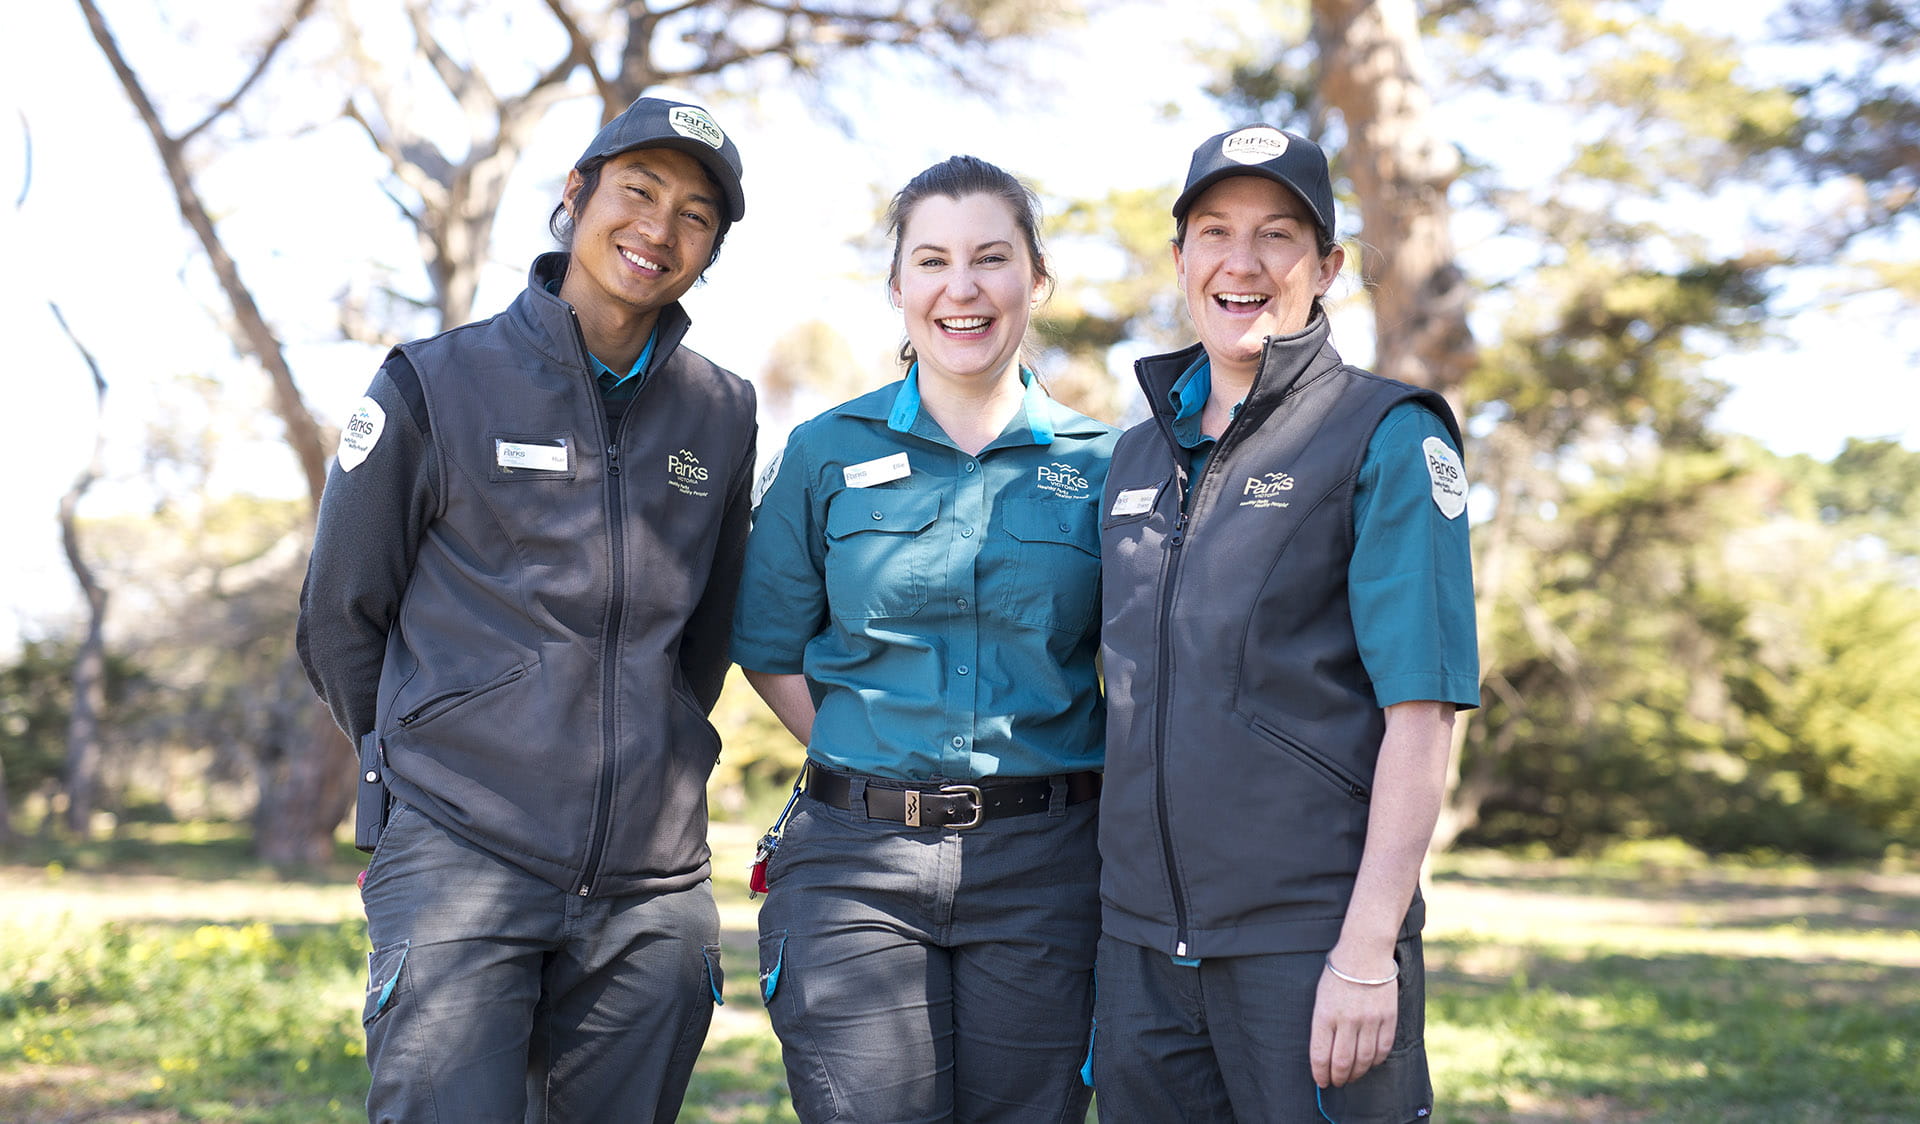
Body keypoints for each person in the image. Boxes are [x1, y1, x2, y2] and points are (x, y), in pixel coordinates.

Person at [296, 96, 757, 1124]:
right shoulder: (434, 381)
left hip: (654, 885)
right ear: (575, 194)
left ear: (711, 248)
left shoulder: (725, 411)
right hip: (463, 848)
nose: (658, 228)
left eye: (694, 214)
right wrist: (424, 758)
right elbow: (340, 609)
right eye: (637, 190)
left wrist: (660, 745)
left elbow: (708, 632)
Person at [1091, 124, 1479, 1123]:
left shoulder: (1386, 435)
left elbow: (1423, 713)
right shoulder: (1131, 458)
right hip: (1141, 956)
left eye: (1277, 235)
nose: (1243, 261)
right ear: (1182, 261)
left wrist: (1364, 951)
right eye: (1215, 232)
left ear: (1327, 267)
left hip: (1307, 948)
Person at [730, 155, 1118, 1123]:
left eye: (992, 257)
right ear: (898, 285)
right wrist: (874, 746)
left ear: (1037, 278)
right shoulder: (826, 449)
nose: (963, 287)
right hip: (855, 863)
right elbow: (768, 642)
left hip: (1048, 864)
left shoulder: (1110, 465)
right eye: (933, 260)